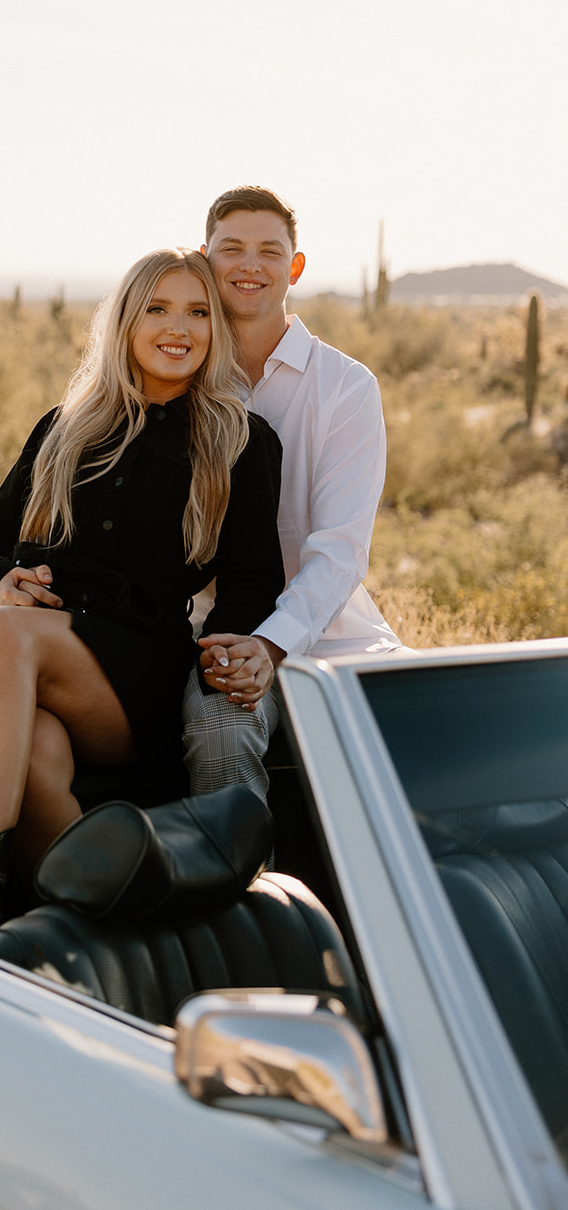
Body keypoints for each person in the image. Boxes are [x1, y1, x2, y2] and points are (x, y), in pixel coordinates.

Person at [0, 246, 284, 923]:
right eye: (156, 309)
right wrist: (1, 579)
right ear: (125, 323)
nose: (176, 328)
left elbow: (252, 579)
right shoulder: (65, 427)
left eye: (196, 312)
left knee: (3, 633)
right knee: (34, 741)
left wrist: (234, 655)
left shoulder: (239, 439)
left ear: (215, 328)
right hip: (43, 659)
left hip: (141, 678)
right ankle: (60, 922)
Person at [182, 186, 402, 799]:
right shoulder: (177, 377)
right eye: (232, 249)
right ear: (206, 260)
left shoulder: (346, 387)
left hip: (330, 632)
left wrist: (273, 643)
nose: (250, 265)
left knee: (431, 731)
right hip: (209, 633)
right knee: (220, 735)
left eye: (269, 251)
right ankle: (253, 895)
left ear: (294, 267)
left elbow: (341, 548)